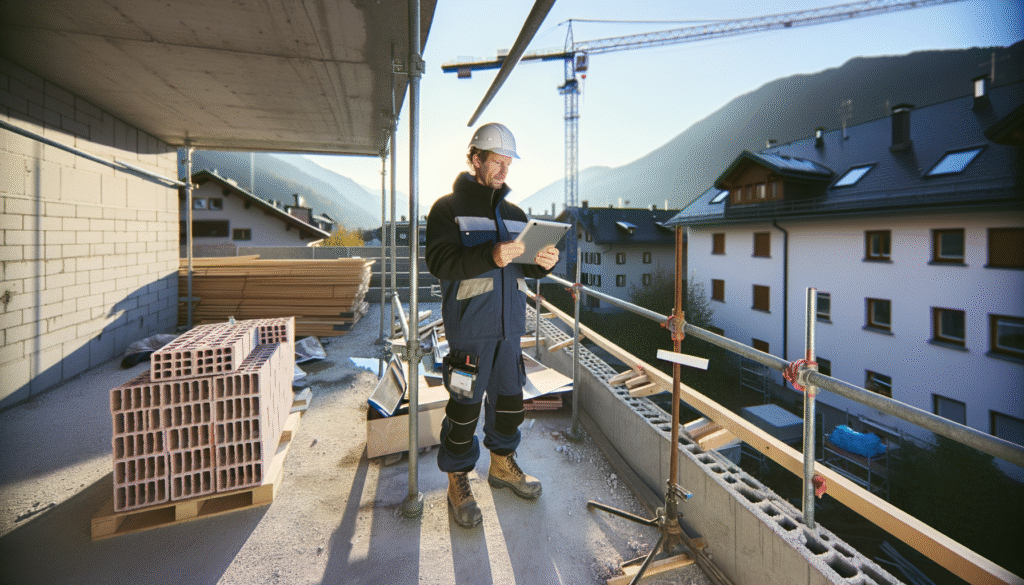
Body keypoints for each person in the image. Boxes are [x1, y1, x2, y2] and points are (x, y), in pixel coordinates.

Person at [425, 122, 559, 528]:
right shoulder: (447, 209)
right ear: (475, 159)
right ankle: (457, 479)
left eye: (507, 163)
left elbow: (522, 265)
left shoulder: (517, 215)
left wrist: (543, 265)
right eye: (495, 161)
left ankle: (502, 466)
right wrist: (491, 254)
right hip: (470, 328)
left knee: (509, 402)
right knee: (464, 408)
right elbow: (440, 263)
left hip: (509, 327)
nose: (503, 170)